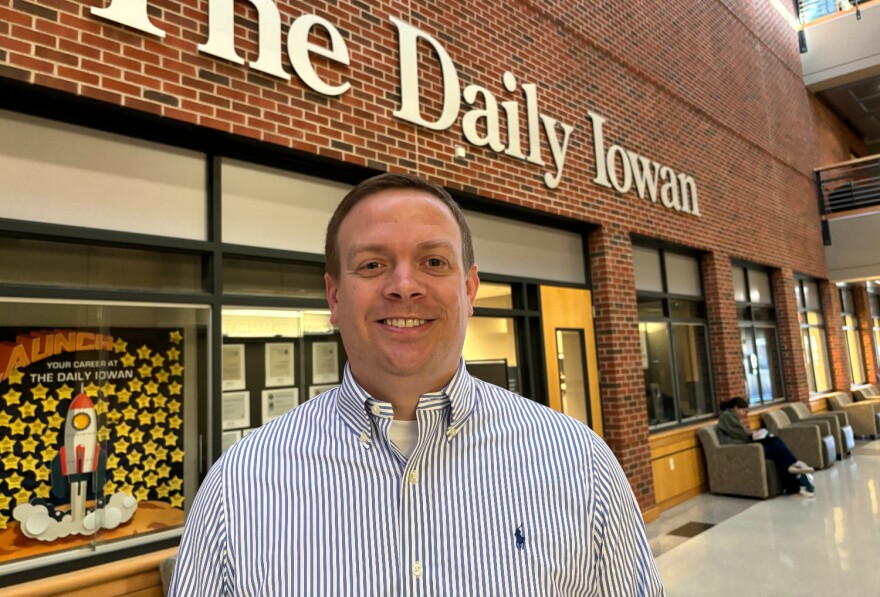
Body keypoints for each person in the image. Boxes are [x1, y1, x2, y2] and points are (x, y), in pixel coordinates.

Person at [169, 172, 664, 595]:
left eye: (433, 262)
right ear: (335, 297)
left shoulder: (580, 464)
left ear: (469, 290)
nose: (403, 285)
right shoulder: (238, 486)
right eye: (372, 264)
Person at [716, 397, 816, 497]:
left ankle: (793, 482)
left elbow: (739, 432)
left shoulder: (730, 416)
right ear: (736, 408)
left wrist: (752, 434)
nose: (744, 415)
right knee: (776, 446)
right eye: (744, 411)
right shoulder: (727, 416)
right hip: (743, 449)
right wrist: (752, 435)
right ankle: (795, 467)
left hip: (746, 445)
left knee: (776, 446)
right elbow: (740, 434)